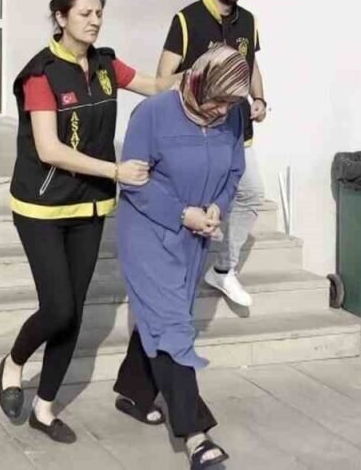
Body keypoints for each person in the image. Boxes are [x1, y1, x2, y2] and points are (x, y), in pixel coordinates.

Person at [0, 0, 177, 444]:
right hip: (41, 207)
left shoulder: (105, 65)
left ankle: (44, 409)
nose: (95, 21)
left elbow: (157, 86)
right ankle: (14, 362)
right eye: (85, 13)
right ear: (61, 18)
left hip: (90, 205)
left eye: (99, 13)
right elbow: (49, 149)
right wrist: (116, 170)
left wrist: (198, 67)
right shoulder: (41, 75)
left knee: (73, 313)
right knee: (57, 308)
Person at [114, 44, 250, 470]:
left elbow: (234, 171)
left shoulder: (234, 115)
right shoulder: (153, 114)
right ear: (198, 82)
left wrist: (217, 208)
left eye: (231, 103)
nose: (222, 111)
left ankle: (134, 391)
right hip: (149, 231)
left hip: (196, 233)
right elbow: (134, 182)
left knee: (162, 315)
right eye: (218, 100)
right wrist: (181, 213)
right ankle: (196, 436)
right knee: (173, 324)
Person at [157, 0, 268, 308]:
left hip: (236, 132)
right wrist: (202, 78)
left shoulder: (248, 21)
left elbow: (250, 65)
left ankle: (223, 268)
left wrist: (259, 98)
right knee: (194, 204)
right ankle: (174, 281)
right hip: (197, 132)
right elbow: (162, 78)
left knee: (251, 193)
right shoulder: (187, 20)